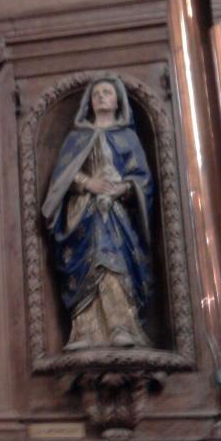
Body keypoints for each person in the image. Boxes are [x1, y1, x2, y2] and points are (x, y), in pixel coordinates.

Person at [41, 76, 154, 351]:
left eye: (107, 92)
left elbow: (143, 180)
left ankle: (121, 325)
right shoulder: (77, 137)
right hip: (82, 213)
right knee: (86, 264)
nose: (102, 97)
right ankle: (84, 329)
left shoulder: (127, 137)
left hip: (114, 212)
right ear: (89, 102)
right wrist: (87, 182)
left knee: (112, 261)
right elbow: (62, 177)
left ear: (117, 101)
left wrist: (123, 189)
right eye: (97, 94)